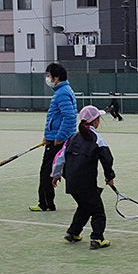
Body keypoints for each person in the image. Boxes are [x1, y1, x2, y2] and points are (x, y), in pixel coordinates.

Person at [51, 105, 116, 250]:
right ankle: (97, 238)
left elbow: (59, 158)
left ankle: (73, 233)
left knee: (85, 206)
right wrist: (109, 177)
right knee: (98, 211)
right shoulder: (97, 139)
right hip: (86, 183)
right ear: (95, 121)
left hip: (72, 183)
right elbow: (107, 159)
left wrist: (56, 175)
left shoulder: (72, 138)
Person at [30, 63, 77, 211]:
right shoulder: (62, 91)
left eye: (49, 75)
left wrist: (59, 137)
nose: (47, 78)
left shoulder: (62, 93)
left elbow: (69, 117)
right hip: (56, 138)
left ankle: (45, 203)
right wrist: (47, 136)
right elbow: (56, 118)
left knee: (47, 173)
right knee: (68, 172)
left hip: (58, 141)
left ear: (56, 77)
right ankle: (92, 194)